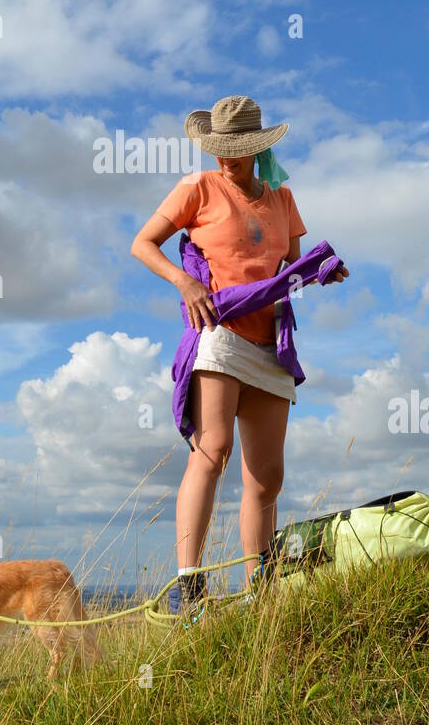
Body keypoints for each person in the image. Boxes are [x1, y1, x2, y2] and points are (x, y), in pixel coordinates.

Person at [131, 95, 349, 613]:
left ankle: (260, 593)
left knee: (267, 476)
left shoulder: (282, 199)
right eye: (219, 149)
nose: (226, 158)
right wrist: (184, 282)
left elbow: (290, 272)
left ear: (257, 148)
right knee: (214, 449)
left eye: (238, 149)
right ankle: (191, 583)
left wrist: (323, 274)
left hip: (269, 344)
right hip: (219, 331)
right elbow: (143, 243)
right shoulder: (198, 187)